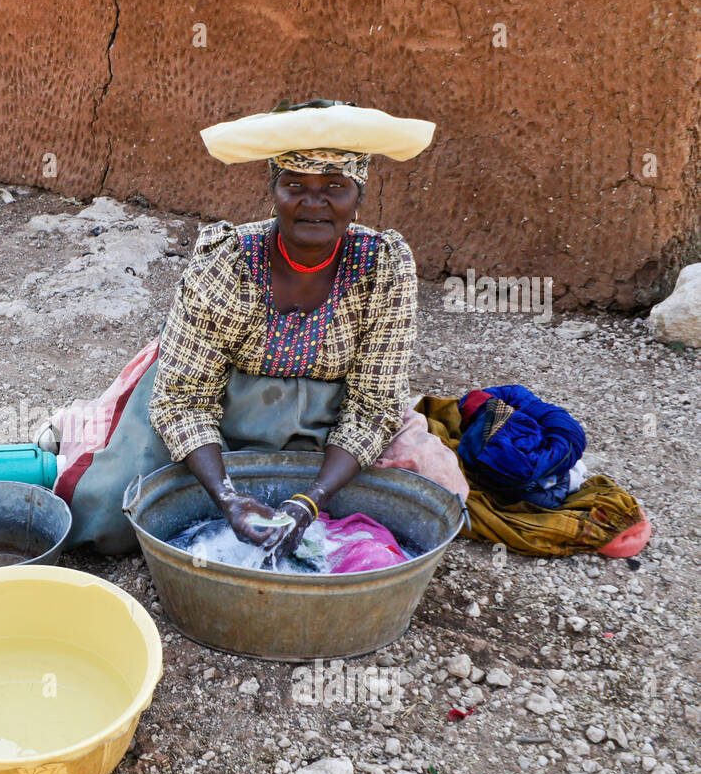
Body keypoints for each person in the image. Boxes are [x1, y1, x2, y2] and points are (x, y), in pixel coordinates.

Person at [47, 100, 464, 556]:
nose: (313, 202)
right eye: (294, 184)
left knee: (436, 493)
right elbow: (184, 400)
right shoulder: (228, 260)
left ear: (358, 197)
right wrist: (227, 497)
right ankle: (78, 434)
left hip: (332, 415)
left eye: (334, 186)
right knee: (108, 516)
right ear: (274, 192)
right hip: (220, 402)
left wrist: (311, 498)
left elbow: (372, 407)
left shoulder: (383, 267)